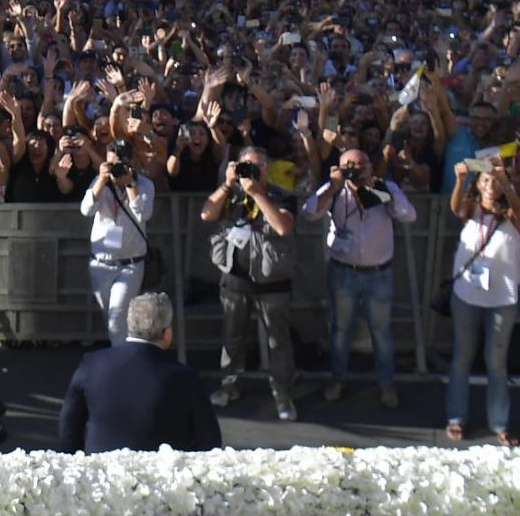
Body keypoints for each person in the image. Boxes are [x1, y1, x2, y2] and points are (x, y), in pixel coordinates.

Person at [307, 148, 418, 406]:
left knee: (381, 332)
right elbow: (309, 212)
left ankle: (386, 384)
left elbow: (408, 215)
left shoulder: (383, 187)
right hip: (343, 271)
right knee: (340, 331)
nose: (356, 170)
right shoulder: (335, 190)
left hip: (378, 274)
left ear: (370, 165)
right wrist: (332, 187)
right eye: (350, 165)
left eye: (361, 164)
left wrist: (374, 189)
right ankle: (337, 379)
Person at [200, 153, 298, 419]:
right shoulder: (231, 194)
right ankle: (229, 386)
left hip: (273, 281)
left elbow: (282, 227)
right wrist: (227, 184)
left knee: (278, 342)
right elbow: (206, 213)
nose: (250, 172)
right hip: (235, 279)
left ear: (266, 169)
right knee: (232, 338)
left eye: (255, 166)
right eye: (245, 166)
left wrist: (257, 194)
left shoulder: (281, 195)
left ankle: (282, 394)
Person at [57, 291, 221, 452]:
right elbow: (209, 442)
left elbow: (69, 426)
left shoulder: (91, 364)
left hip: (102, 473)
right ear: (167, 333)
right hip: (165, 475)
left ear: (129, 325)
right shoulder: (186, 378)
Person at [444, 159, 520, 445]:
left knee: (497, 362)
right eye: (486, 180)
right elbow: (457, 208)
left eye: (495, 181)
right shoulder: (472, 210)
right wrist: (460, 180)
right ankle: (456, 417)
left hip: (502, 298)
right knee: (462, 357)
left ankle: (500, 422)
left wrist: (506, 180)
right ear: (479, 184)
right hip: (467, 294)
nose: (491, 185)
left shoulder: (512, 213)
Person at [79, 136, 157, 344]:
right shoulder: (99, 183)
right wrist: (102, 181)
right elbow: (86, 209)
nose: (116, 169)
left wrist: (130, 184)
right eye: (112, 164)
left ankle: (121, 364)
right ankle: (127, 353)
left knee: (117, 318)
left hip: (130, 265)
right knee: (113, 318)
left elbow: (143, 214)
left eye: (121, 164)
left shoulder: (145, 184)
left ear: (131, 162)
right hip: (101, 264)